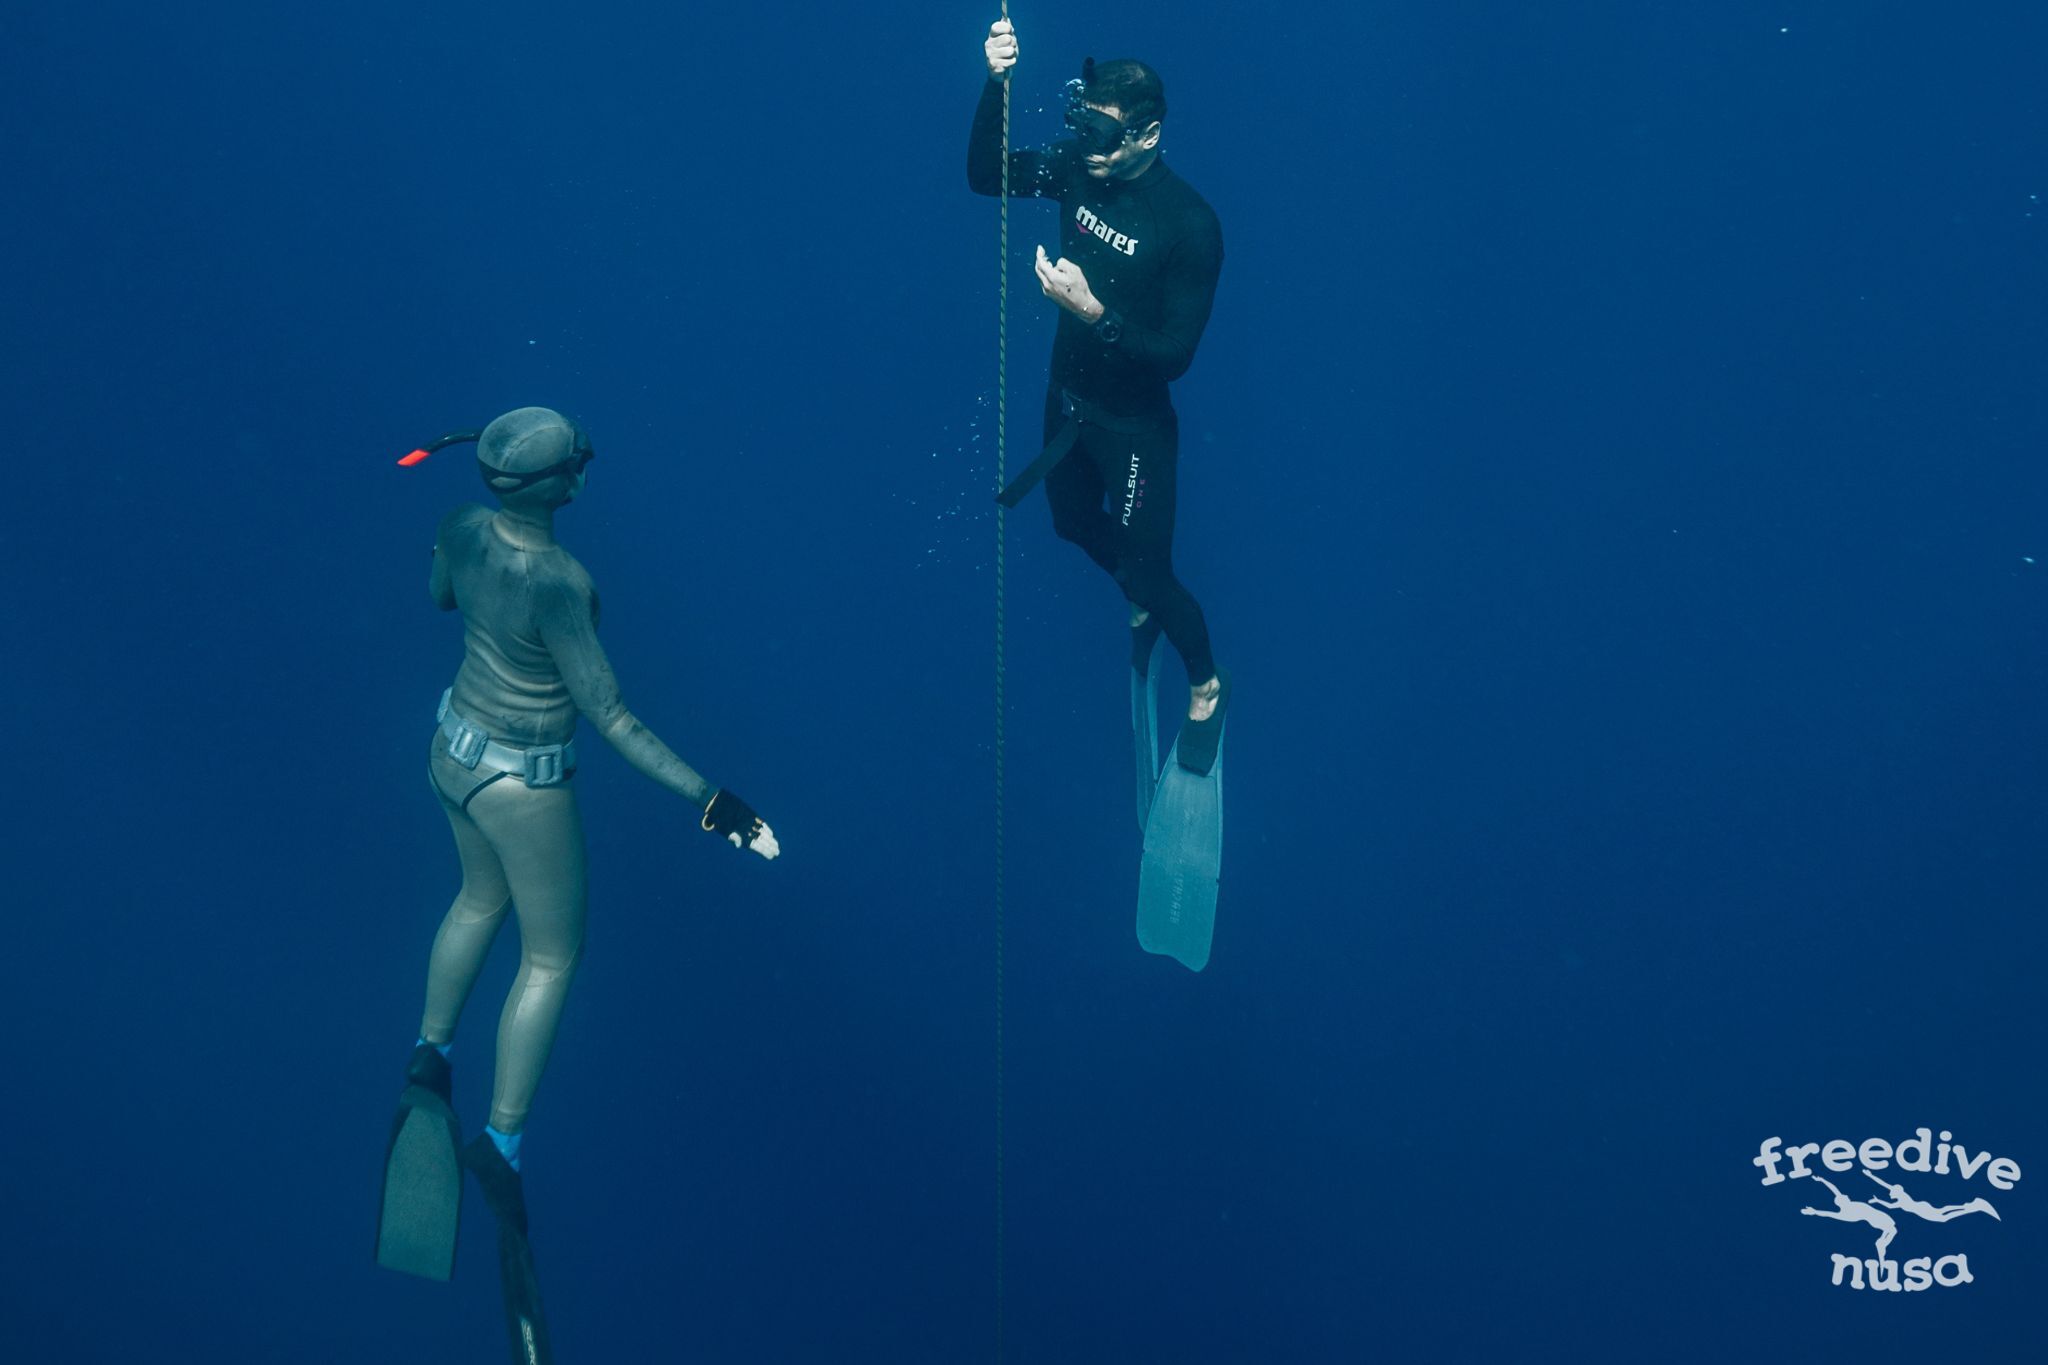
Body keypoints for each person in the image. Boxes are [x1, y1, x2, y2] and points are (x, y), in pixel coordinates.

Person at [375, 407, 778, 1323]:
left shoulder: (458, 523)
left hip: (449, 751)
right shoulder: (562, 583)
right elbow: (615, 717)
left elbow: (442, 595)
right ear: (555, 484)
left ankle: (428, 1057)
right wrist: (714, 802)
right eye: (577, 465)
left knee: (477, 898)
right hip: (523, 782)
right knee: (552, 956)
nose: (584, 476)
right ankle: (500, 1142)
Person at [970, 19, 1230, 773]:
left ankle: (1209, 684)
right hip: (1068, 401)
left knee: (1149, 572)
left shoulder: (1189, 226)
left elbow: (1175, 357)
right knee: (1070, 524)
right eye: (1081, 128)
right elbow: (987, 174)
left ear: (1149, 135)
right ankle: (1140, 595)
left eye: (1105, 137)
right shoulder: (1080, 167)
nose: (1089, 150)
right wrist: (995, 84)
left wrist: (1094, 314)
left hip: (1135, 426)